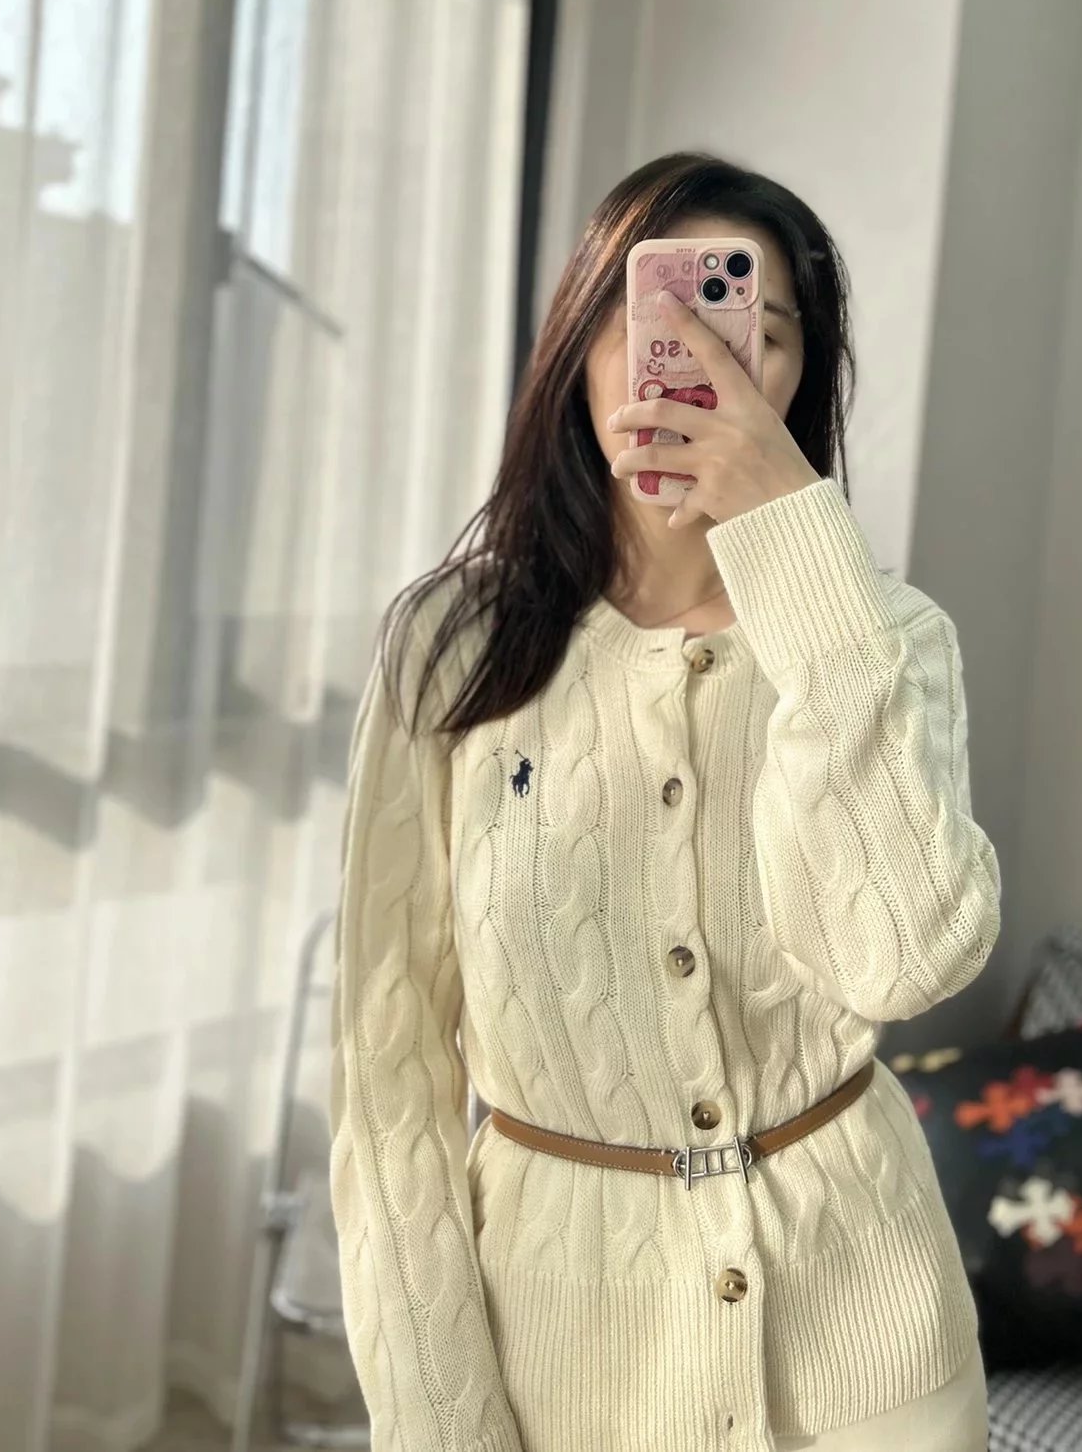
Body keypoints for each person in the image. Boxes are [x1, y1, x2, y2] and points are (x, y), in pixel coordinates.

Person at [329, 152, 1001, 1452]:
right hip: (569, 1356)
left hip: (867, 1349)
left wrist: (798, 551)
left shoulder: (884, 638)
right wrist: (439, 1416)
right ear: (579, 352)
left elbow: (905, 958)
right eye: (651, 321)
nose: (687, 365)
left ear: (797, 378)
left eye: (749, 330)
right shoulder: (452, 647)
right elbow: (387, 1068)